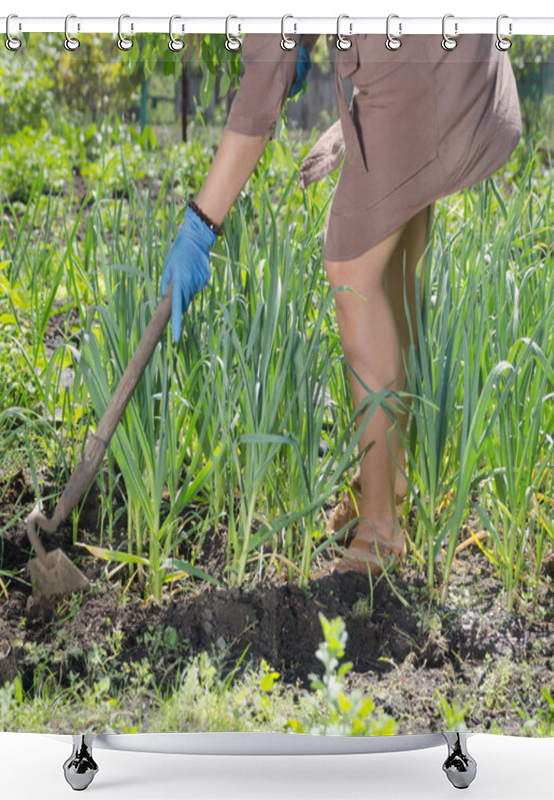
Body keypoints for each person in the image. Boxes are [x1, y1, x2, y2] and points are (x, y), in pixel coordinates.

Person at [160, 32, 522, 576]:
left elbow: (263, 83)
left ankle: (380, 531)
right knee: (394, 264)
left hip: (424, 79)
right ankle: (385, 485)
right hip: (454, 59)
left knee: (352, 267)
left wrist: (201, 223)